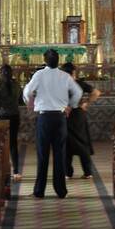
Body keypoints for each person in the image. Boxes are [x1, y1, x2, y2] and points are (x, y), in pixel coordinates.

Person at [23, 48, 83, 198]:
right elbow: (78, 92)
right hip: (60, 118)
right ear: (58, 61)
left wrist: (30, 103)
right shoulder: (65, 76)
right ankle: (61, 191)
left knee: (42, 155)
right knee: (60, 154)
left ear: (45, 60)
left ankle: (39, 191)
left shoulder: (39, 74)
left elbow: (27, 92)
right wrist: (71, 105)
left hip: (44, 118)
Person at [0, 63, 23, 180]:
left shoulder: (0, 86)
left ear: (1, 74)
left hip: (1, 117)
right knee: (13, 144)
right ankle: (16, 171)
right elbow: (21, 101)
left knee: (2, 145)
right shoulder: (16, 85)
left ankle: (3, 171)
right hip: (15, 116)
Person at [66, 88, 94, 180]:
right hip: (78, 114)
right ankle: (87, 172)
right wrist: (86, 103)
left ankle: (68, 173)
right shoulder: (77, 83)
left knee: (67, 142)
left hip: (68, 113)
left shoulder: (62, 82)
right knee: (81, 142)